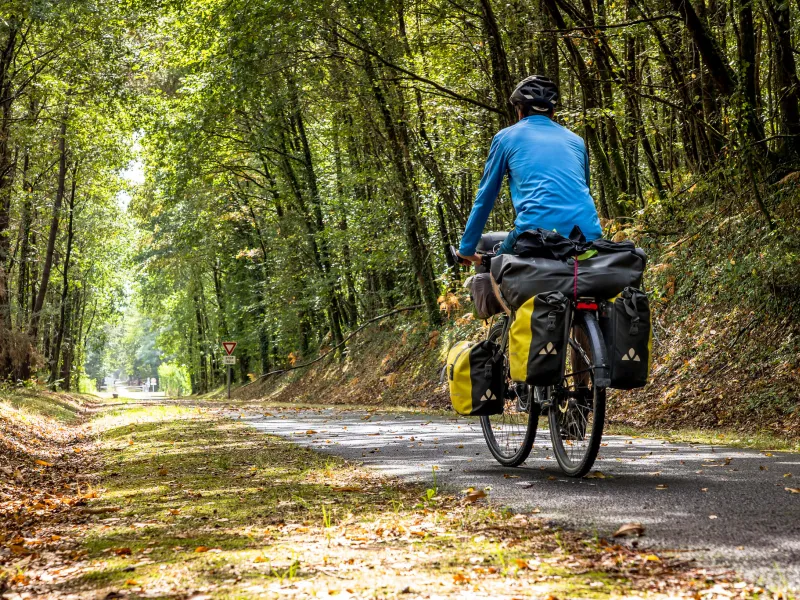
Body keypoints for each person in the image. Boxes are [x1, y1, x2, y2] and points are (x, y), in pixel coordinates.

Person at [456, 75, 603, 264]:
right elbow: (583, 190)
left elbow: (485, 198)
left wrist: (467, 249)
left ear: (520, 111)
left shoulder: (506, 137)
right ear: (553, 112)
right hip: (587, 236)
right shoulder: (577, 141)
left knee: (493, 269)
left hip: (534, 235)